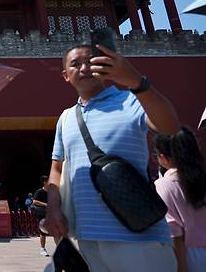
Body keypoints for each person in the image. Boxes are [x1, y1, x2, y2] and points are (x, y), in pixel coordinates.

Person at [44, 43, 181, 271]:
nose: (84, 68)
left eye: (90, 61)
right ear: (65, 76)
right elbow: (57, 168)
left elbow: (170, 128)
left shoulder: (131, 100)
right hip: (89, 236)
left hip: (138, 235)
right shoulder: (66, 118)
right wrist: (53, 208)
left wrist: (137, 82)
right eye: (75, 64)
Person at [154, 127, 206, 271]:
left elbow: (175, 234)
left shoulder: (164, 185)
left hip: (192, 256)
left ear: (164, 158)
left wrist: (181, 267)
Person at [31, 176, 51, 256]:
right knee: (43, 232)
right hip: (42, 214)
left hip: (51, 214)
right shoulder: (39, 192)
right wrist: (45, 204)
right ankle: (43, 249)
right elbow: (34, 201)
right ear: (44, 182)